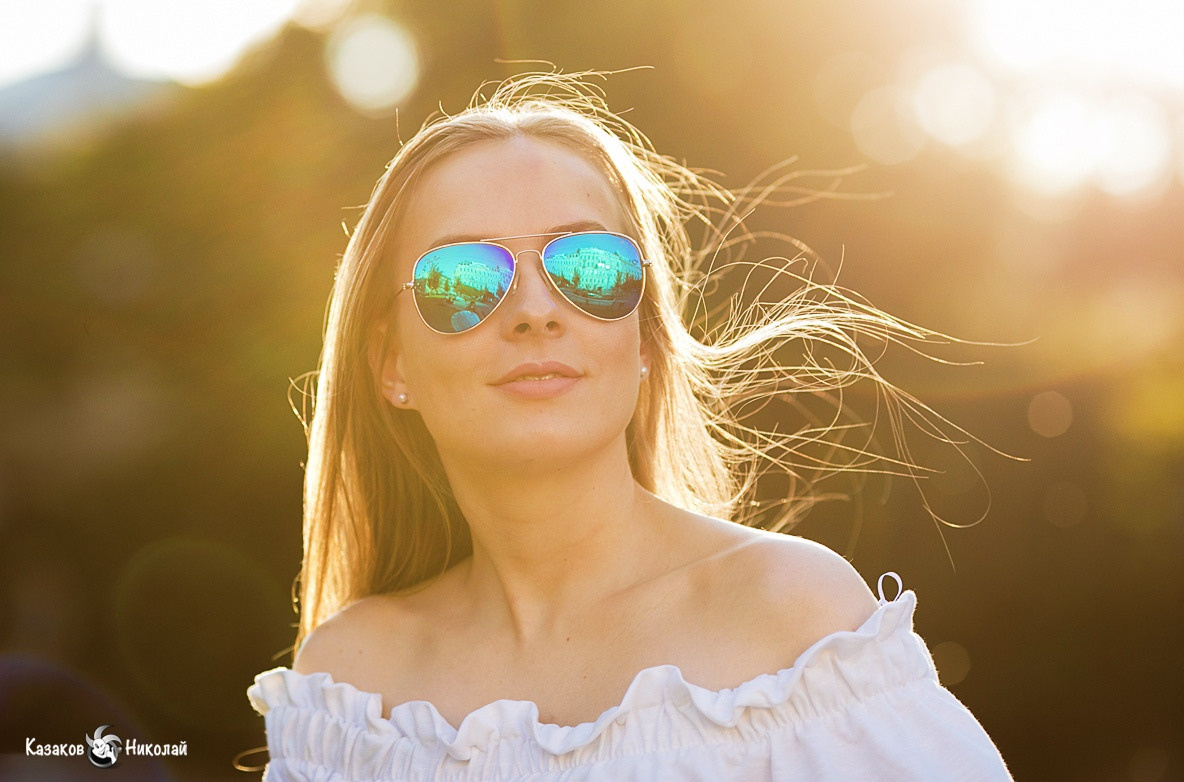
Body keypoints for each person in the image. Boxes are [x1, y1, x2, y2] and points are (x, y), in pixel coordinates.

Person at [246, 72, 1012, 780]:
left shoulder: (792, 626)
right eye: (464, 279)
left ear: (645, 336)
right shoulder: (348, 695)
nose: (537, 311)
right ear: (391, 363)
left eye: (590, 267)